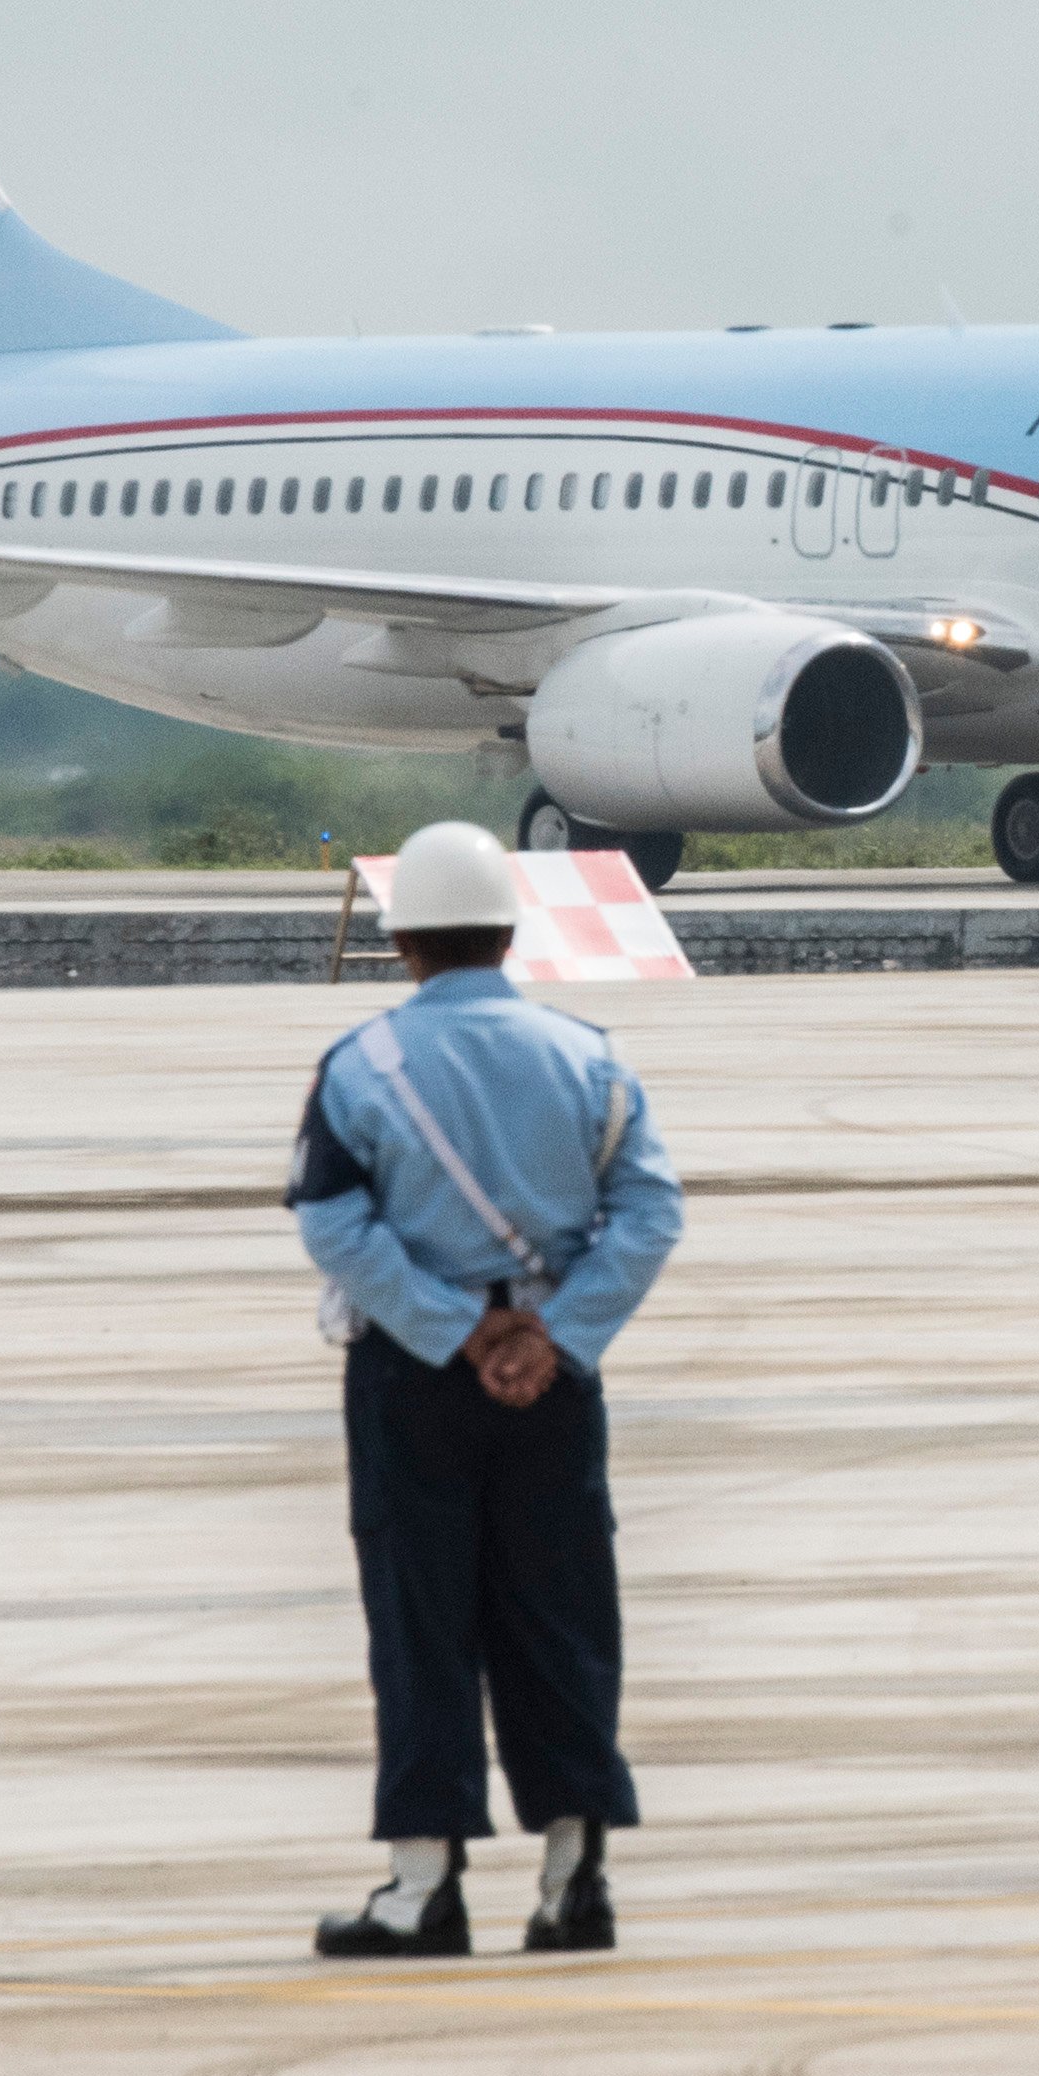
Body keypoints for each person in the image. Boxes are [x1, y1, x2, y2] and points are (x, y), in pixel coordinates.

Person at [287, 820, 684, 1959]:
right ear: (511, 932)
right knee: (561, 1619)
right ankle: (573, 1878)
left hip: (416, 1381)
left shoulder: (363, 1066)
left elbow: (331, 1221)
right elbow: (650, 1211)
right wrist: (552, 1336)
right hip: (553, 1387)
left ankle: (423, 1885)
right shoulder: (587, 1057)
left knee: (423, 1624)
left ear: (401, 939)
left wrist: (460, 1332)